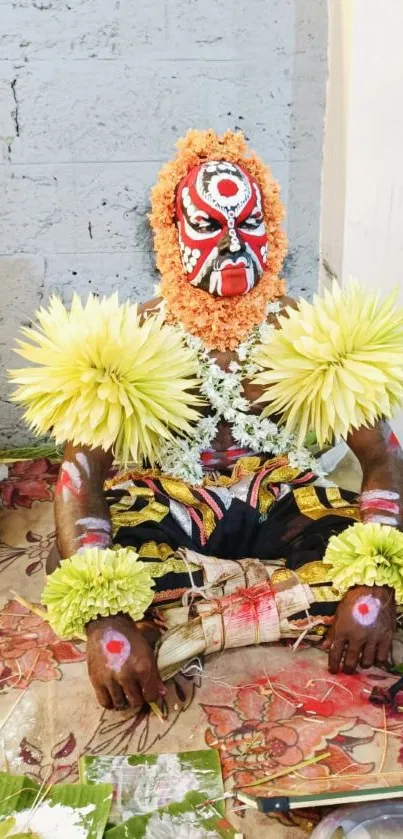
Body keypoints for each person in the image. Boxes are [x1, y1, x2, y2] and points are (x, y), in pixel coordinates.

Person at [45, 130, 401, 711]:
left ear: (273, 231)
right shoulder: (123, 340)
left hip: (278, 497)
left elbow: (383, 459)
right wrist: (105, 617)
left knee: (368, 567)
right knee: (94, 571)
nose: (234, 245)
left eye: (249, 224)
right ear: (171, 234)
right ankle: (254, 610)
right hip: (168, 502)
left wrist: (374, 586)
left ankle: (202, 618)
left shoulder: (317, 335)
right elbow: (79, 481)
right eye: (210, 225)